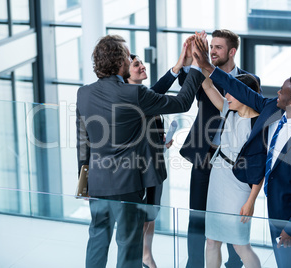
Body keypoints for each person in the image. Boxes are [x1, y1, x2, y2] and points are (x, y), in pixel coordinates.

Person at [192, 33, 291, 268]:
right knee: (282, 262)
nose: (277, 93)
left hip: (290, 215)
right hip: (273, 206)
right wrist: (206, 66)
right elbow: (240, 90)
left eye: (283, 91)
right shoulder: (272, 110)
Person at [76, 35, 205, 268]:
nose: (130, 59)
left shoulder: (83, 93)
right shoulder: (133, 94)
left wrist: (83, 183)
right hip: (127, 184)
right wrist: (195, 67)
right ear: (119, 63)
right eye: (127, 56)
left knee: (97, 239)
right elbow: (183, 103)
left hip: (97, 182)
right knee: (128, 245)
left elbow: (83, 143)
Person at [178, 29, 260, 268]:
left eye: (218, 47)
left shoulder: (249, 82)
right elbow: (190, 85)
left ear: (232, 51)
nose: (212, 51)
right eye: (210, 47)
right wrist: (193, 60)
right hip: (206, 157)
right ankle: (194, 264)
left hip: (237, 169)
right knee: (199, 220)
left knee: (236, 230)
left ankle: (234, 264)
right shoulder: (208, 80)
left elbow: (253, 119)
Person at [202, 73, 262, 268]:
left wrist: (251, 202)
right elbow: (208, 87)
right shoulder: (229, 109)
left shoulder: (258, 125)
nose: (226, 96)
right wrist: (198, 62)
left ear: (245, 95)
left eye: (231, 93)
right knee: (211, 240)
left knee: (240, 243)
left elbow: (259, 170)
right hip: (219, 175)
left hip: (240, 183)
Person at [126, 54, 181, 268]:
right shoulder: (129, 98)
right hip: (139, 170)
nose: (142, 65)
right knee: (142, 215)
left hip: (155, 166)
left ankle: (146, 254)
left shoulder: (144, 95)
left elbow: (156, 93)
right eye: (136, 64)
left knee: (151, 214)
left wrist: (162, 141)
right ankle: (142, 256)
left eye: (141, 62)